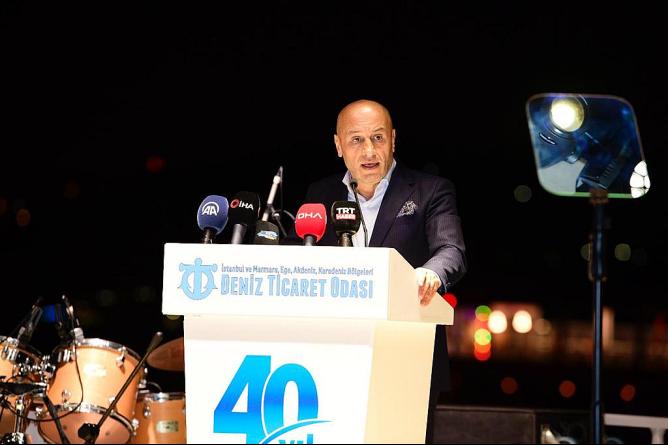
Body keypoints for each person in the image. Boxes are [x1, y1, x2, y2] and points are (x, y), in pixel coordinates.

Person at [300, 99, 467, 443]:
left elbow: (451, 250)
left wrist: (431, 274)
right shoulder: (320, 194)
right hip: (332, 356)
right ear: (338, 146)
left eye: (378, 137)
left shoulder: (430, 190)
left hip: (408, 355)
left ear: (393, 139)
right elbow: (302, 254)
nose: (369, 150)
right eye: (356, 140)